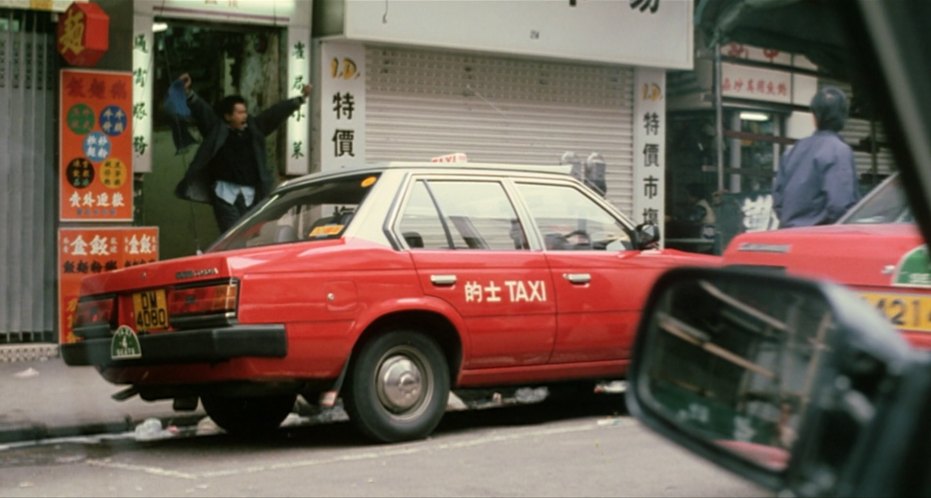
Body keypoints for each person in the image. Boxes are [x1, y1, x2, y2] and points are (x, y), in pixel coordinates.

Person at [173, 73, 312, 232]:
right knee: (232, 234)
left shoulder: (254, 129)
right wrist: (188, 92)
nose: (244, 116)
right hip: (224, 193)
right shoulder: (216, 129)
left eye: (244, 112)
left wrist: (299, 100)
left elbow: (275, 114)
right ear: (227, 116)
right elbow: (202, 111)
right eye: (239, 113)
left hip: (250, 194)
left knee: (249, 235)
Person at [772, 86, 861, 228]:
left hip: (789, 236)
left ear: (814, 117)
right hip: (821, 239)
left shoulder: (792, 150)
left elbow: (778, 202)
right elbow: (840, 205)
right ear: (844, 116)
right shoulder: (839, 150)